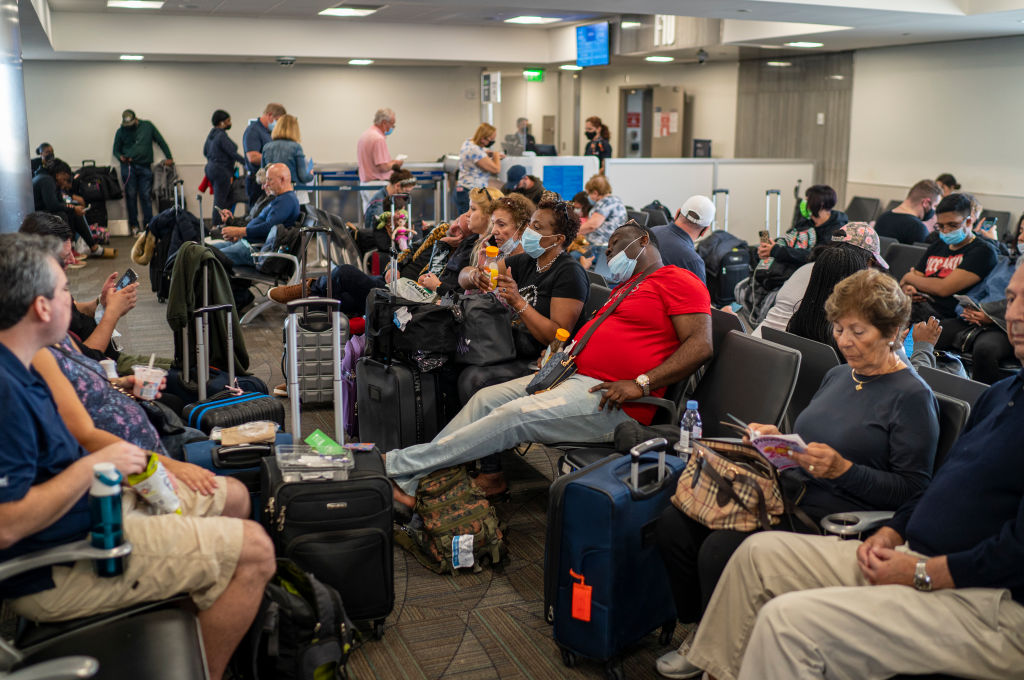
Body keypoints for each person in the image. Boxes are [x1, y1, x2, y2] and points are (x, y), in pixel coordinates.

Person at [664, 265, 1024, 680]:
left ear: (892, 332)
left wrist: (849, 478)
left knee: (772, 605)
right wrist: (780, 445)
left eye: (858, 331)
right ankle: (716, 656)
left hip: (865, 528)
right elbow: (942, 487)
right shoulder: (1001, 394)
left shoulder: (911, 397)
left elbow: (915, 488)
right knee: (714, 536)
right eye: (1010, 299)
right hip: (832, 510)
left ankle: (722, 650)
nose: (1010, 314)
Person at [0, 233, 275, 680]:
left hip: (96, 511)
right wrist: (94, 466)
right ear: (42, 308)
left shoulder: (22, 362)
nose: (73, 300)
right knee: (257, 552)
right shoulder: (7, 388)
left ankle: (193, 626)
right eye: (63, 290)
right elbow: (7, 523)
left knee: (236, 498)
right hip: (69, 558)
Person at [386, 221, 714, 506]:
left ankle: (397, 466)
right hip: (571, 377)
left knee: (513, 416)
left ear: (643, 241)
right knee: (485, 398)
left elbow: (700, 345)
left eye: (616, 246)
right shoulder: (627, 287)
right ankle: (412, 483)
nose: (611, 255)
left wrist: (641, 383)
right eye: (609, 249)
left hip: (614, 398)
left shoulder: (678, 280)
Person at [754, 223, 886, 338]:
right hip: (786, 352)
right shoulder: (844, 282)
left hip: (759, 340)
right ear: (863, 258)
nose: (870, 270)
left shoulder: (805, 268)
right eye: (871, 263)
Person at [933, 218, 1023, 383]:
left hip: (1004, 326)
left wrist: (989, 315)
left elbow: (1014, 306)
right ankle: (935, 387)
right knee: (935, 329)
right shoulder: (1005, 263)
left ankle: (981, 399)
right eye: (1021, 231)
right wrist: (967, 311)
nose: (1021, 238)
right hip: (976, 318)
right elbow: (977, 292)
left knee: (985, 349)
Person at [900, 193, 998, 324]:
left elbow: (943, 288)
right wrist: (908, 287)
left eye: (952, 225)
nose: (945, 231)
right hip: (916, 308)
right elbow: (912, 279)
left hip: (945, 317)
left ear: (968, 222)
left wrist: (909, 277)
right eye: (940, 226)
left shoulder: (983, 251)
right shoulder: (938, 245)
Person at [755, 184, 848, 293]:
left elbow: (815, 256)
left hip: (808, 275)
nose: (804, 203)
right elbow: (790, 238)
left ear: (820, 204)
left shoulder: (836, 230)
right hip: (789, 268)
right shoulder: (806, 222)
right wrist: (769, 248)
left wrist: (776, 250)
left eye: (807, 200)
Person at [419, 187, 503, 296]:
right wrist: (428, 279)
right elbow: (442, 274)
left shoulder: (488, 249)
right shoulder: (470, 240)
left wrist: (438, 286)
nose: (467, 214)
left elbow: (468, 293)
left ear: (488, 215)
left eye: (473, 209)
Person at [215, 163, 300, 267]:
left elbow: (268, 228)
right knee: (207, 249)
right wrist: (240, 235)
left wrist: (239, 231)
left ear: (282, 179)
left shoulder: (286, 201)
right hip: (248, 244)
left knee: (210, 256)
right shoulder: (280, 199)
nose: (266, 184)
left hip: (255, 250)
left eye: (270, 180)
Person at [32, 159, 112, 259]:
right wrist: (73, 209)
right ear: (59, 174)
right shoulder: (46, 180)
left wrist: (73, 208)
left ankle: (88, 247)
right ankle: (71, 251)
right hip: (37, 217)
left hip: (41, 213)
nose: (65, 183)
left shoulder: (48, 179)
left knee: (72, 211)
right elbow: (52, 205)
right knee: (65, 214)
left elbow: (59, 202)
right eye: (64, 179)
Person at [112, 109, 174, 235]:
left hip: (145, 167)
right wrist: (121, 157)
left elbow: (161, 141)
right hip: (128, 167)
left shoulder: (147, 126)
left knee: (146, 196)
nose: (128, 127)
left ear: (136, 119)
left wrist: (169, 157)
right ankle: (134, 226)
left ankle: (149, 225)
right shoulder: (121, 131)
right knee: (131, 196)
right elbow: (116, 150)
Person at [652, 195, 715, 283]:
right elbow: (699, 296)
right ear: (705, 230)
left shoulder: (651, 232)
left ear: (677, 213)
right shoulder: (693, 261)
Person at [579, 174, 628, 274]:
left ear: (595, 193)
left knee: (571, 258)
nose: (589, 197)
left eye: (589, 193)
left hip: (601, 249)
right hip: (609, 247)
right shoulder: (615, 200)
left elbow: (592, 225)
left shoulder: (605, 203)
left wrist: (571, 231)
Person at [203, 110, 245, 226]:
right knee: (221, 200)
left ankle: (224, 222)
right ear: (221, 123)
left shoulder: (211, 135)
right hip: (221, 170)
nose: (230, 123)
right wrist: (246, 163)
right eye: (228, 121)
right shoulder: (221, 135)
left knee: (225, 198)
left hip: (211, 168)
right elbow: (232, 152)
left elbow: (205, 152)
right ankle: (217, 226)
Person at [356, 107, 403, 212]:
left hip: (365, 184)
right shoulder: (378, 139)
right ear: (384, 123)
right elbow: (382, 166)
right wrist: (395, 163)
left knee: (369, 217)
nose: (392, 127)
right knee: (380, 219)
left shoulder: (365, 135)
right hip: (377, 185)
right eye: (392, 124)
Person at [242, 102, 286, 206]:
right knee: (257, 215)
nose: (278, 124)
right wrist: (276, 160)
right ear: (270, 115)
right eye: (277, 120)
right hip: (257, 181)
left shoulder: (267, 132)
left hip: (268, 180)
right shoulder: (253, 130)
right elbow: (252, 157)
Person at [455, 123, 503, 216]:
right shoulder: (476, 151)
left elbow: (479, 152)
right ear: (483, 139)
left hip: (462, 188)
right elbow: (496, 169)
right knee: (469, 223)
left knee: (465, 221)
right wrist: (496, 155)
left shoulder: (468, 142)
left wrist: (486, 153)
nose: (492, 142)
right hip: (470, 192)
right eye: (491, 139)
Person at [874, 179, 941, 245]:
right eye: (935, 206)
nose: (934, 210)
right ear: (925, 203)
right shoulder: (918, 228)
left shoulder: (883, 218)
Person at [261, 113, 314, 187]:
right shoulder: (295, 147)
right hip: (293, 190)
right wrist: (311, 173)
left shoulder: (266, 147)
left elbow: (263, 174)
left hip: (272, 191)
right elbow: (303, 177)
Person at [363, 168, 417, 233]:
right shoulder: (379, 204)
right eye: (406, 191)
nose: (406, 195)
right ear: (397, 185)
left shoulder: (392, 199)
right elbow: (378, 232)